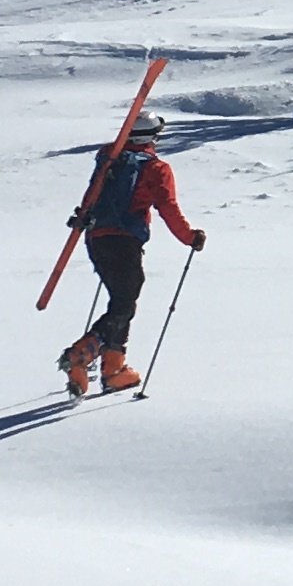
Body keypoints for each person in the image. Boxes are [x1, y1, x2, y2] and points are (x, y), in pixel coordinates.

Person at [60, 123, 209, 395]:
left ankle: (114, 370)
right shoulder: (155, 168)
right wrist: (189, 237)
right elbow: (167, 206)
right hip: (124, 240)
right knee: (125, 302)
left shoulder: (109, 160)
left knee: (121, 300)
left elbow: (92, 194)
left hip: (95, 237)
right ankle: (82, 354)